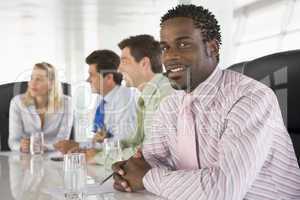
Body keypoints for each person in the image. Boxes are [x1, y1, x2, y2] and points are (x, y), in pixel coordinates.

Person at [112, 4, 300, 200]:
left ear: (212, 47)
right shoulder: (171, 105)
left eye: (183, 44)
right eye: (165, 48)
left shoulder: (251, 99)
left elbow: (223, 190)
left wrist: (146, 177)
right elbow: (150, 161)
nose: (170, 56)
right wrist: (127, 171)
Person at [55, 50, 137, 156]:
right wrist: (78, 145)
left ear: (109, 78)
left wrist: (83, 148)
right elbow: (98, 139)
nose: (88, 80)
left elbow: (121, 144)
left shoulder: (125, 98)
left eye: (92, 75)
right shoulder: (101, 100)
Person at [118, 34, 173, 151]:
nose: (119, 69)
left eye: (124, 61)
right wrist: (101, 151)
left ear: (144, 63)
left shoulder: (166, 95)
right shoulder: (146, 97)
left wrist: (99, 156)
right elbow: (136, 142)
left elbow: (153, 152)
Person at [9, 62, 73, 152]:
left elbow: (62, 141)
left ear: (51, 84)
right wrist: (21, 146)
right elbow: (13, 141)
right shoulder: (17, 102)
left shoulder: (67, 103)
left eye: (39, 79)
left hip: (54, 159)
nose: (32, 83)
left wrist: (44, 147)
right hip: (26, 158)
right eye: (32, 78)